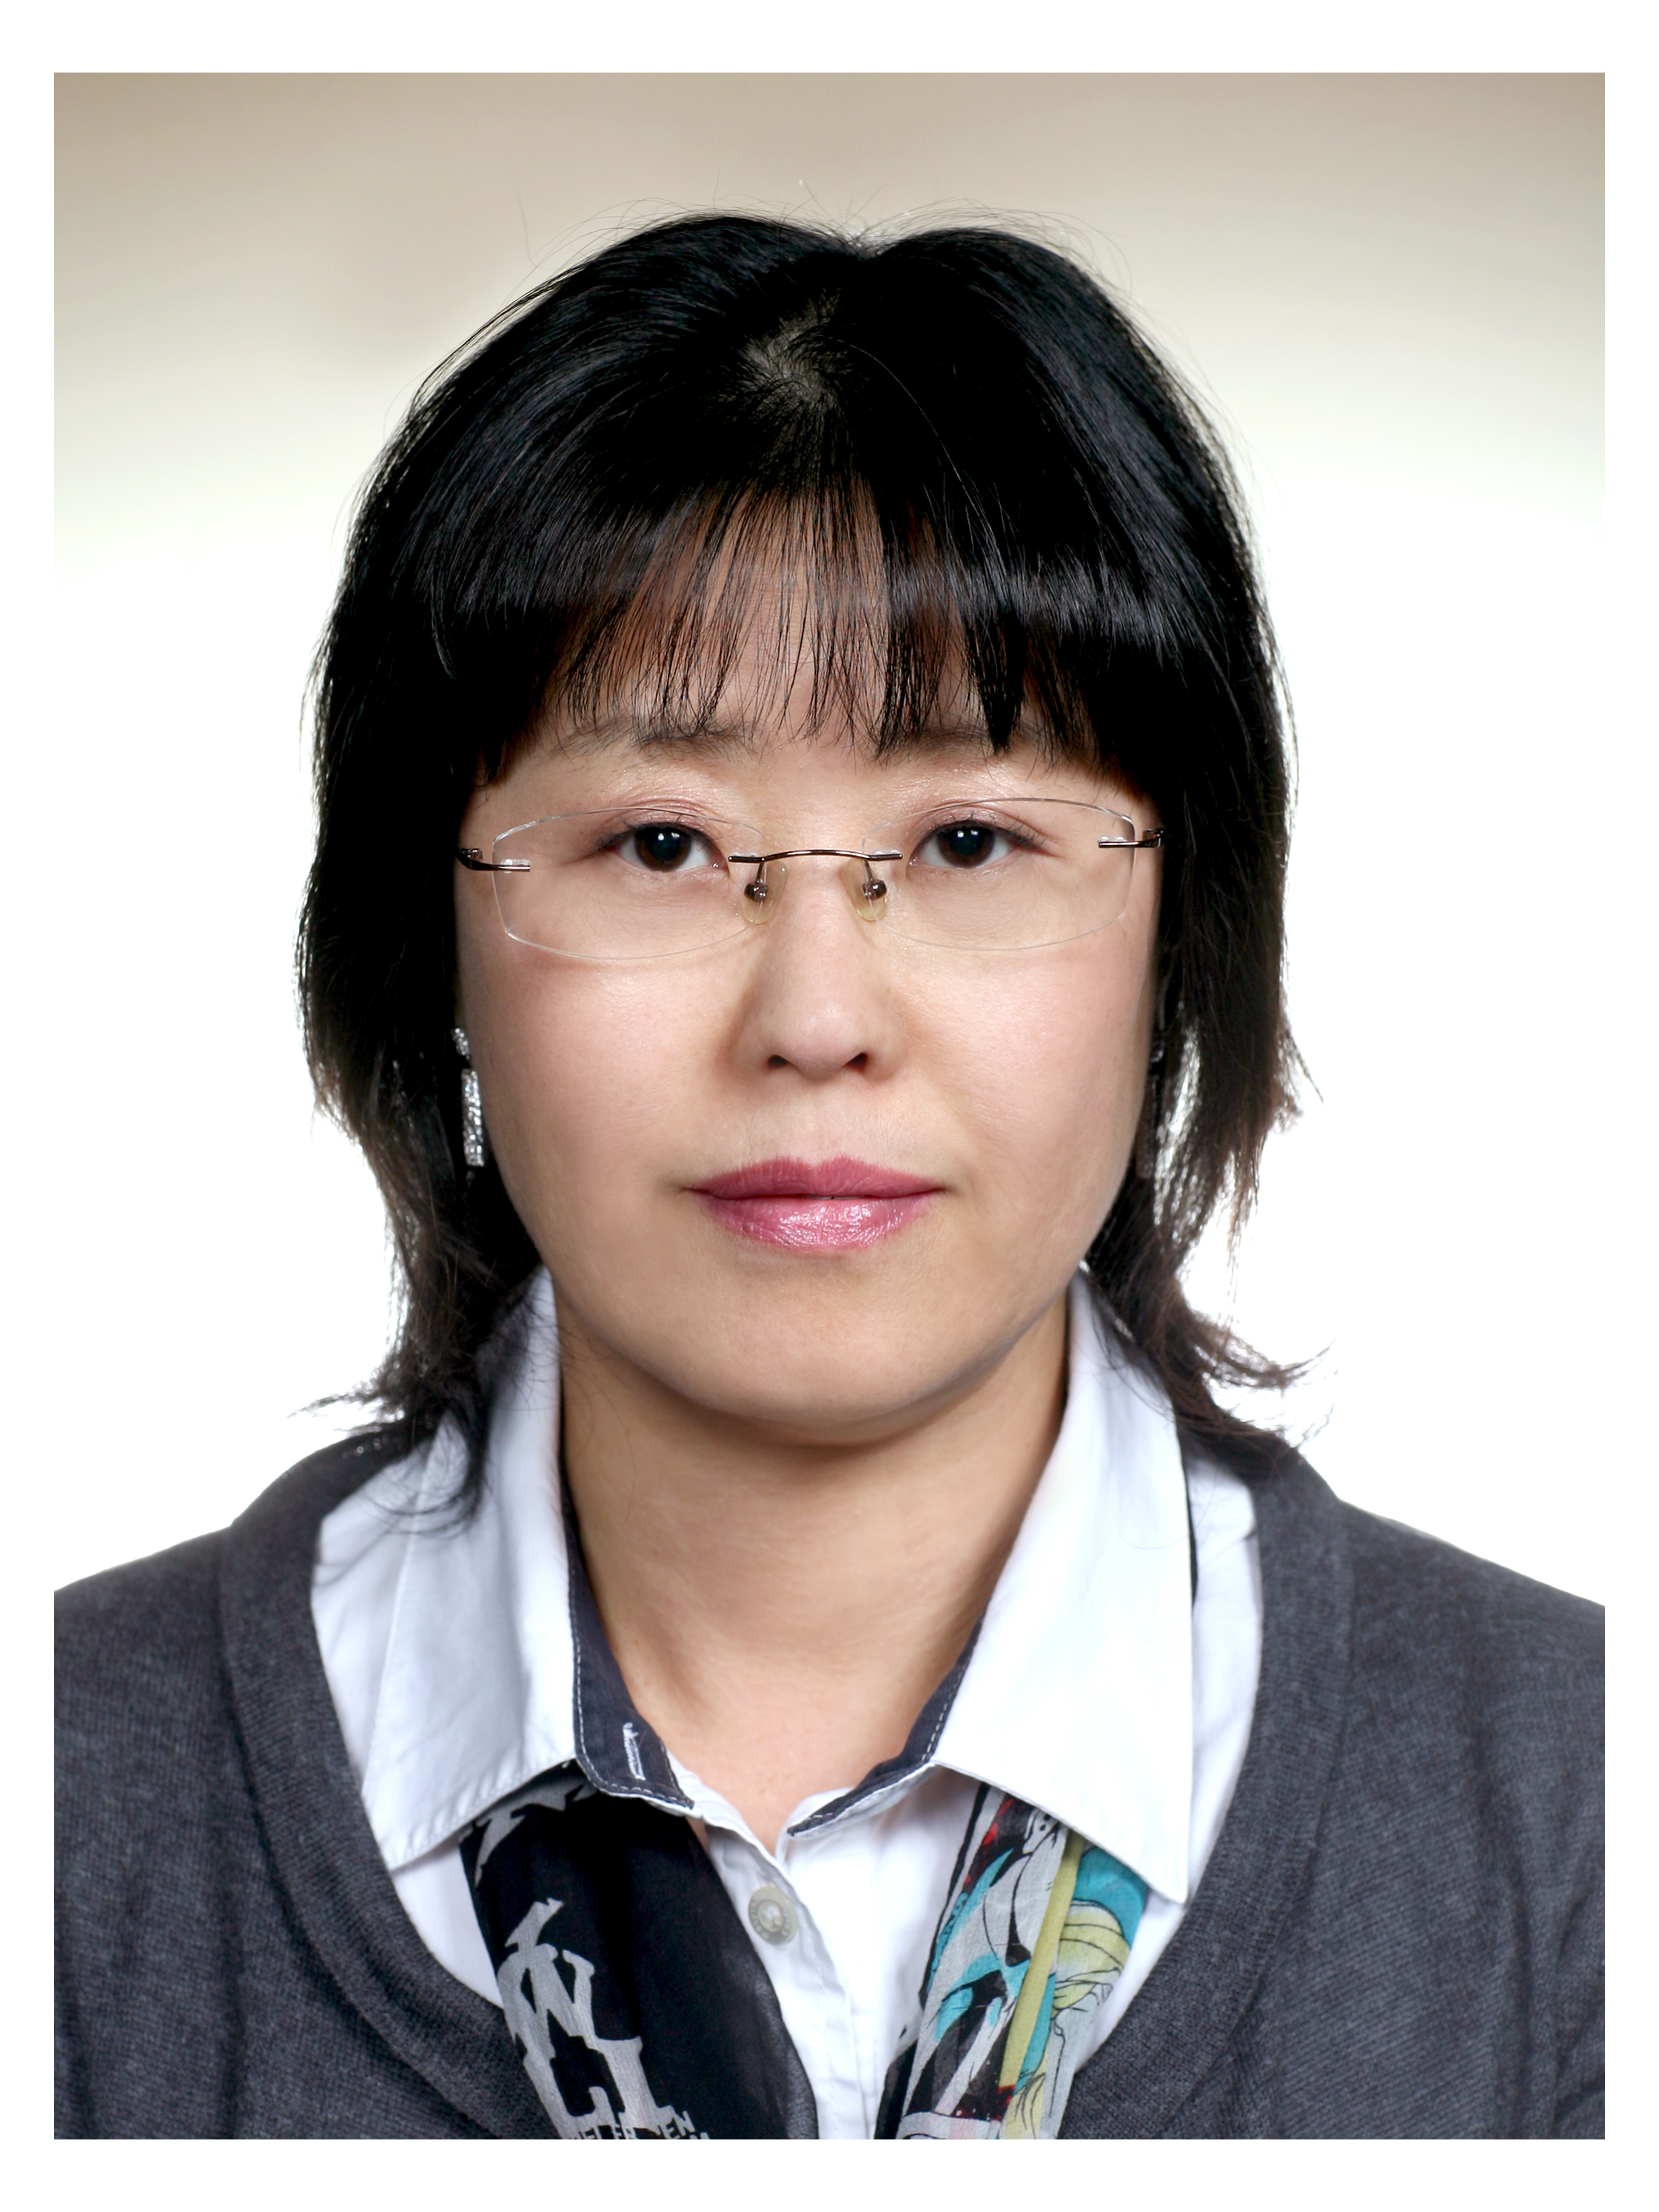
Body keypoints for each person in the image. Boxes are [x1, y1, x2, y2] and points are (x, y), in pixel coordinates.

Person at [55, 214, 1603, 2140]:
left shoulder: (1580, 1814)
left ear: (1181, 938)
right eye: (660, 844)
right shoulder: (64, 1804)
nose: (814, 1017)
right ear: (423, 943)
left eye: (965, 839)